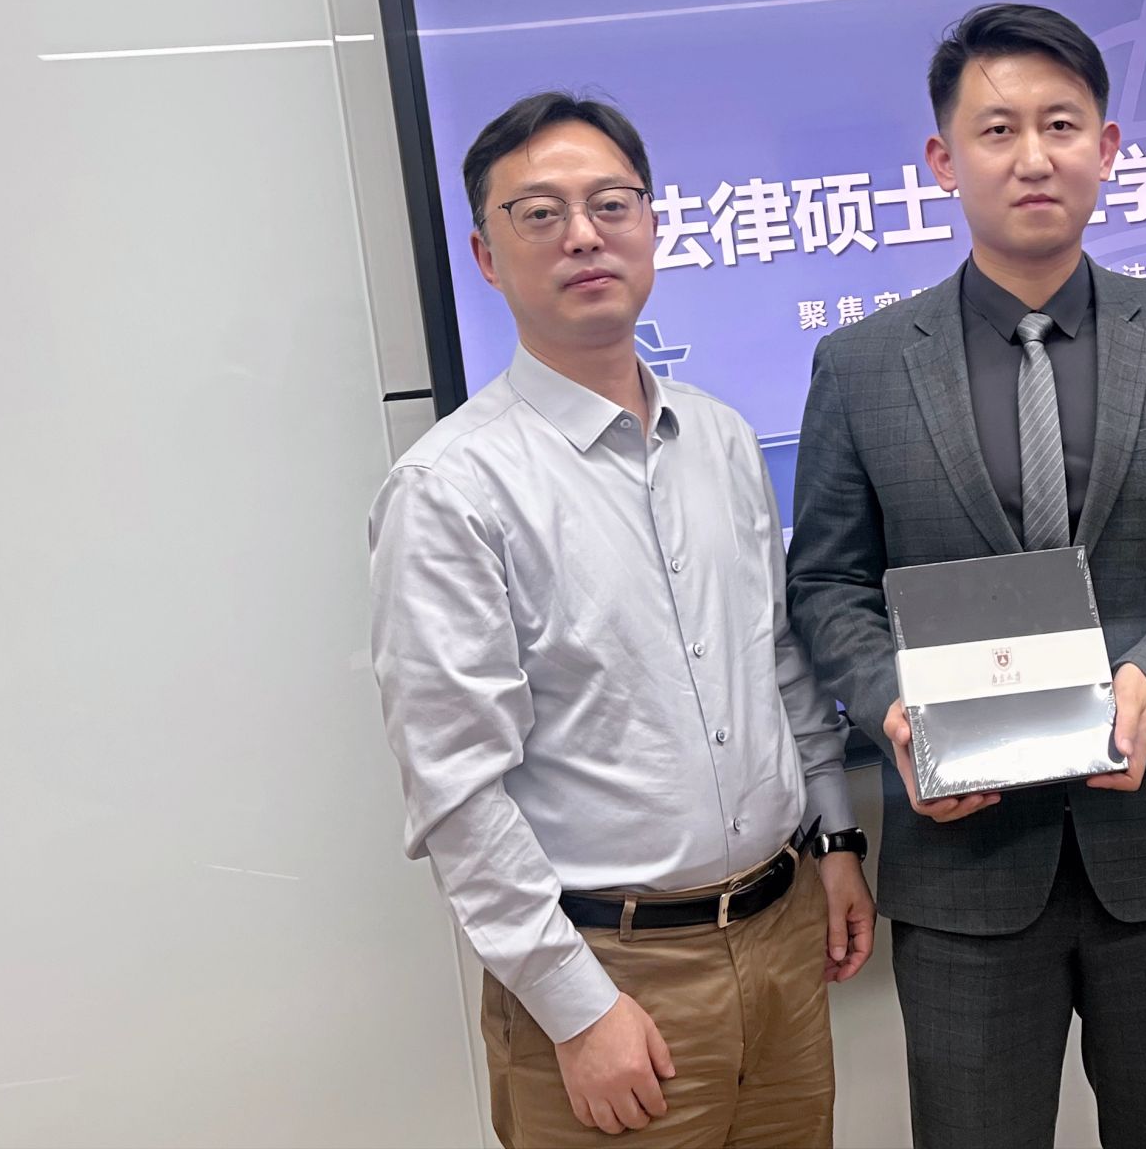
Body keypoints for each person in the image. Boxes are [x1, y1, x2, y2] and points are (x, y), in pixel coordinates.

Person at [787, 3, 1146, 1149]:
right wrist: (893, 711)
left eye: (1060, 125)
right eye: (997, 129)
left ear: (1105, 148)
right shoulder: (862, 366)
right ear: (942, 160)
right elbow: (824, 585)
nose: (1032, 156)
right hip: (961, 859)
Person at [369, 93, 874, 1147]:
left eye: (611, 204)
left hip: (780, 937)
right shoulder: (451, 490)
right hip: (611, 975)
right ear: (485, 255)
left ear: (651, 224)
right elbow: (456, 789)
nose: (584, 235)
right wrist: (574, 1006)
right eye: (539, 213)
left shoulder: (722, 439)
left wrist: (834, 838)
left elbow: (777, 660)